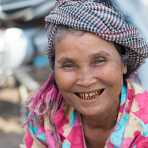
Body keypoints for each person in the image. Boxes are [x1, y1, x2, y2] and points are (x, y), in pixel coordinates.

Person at [23, 0, 148, 147]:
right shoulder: (44, 116)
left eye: (99, 61)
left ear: (124, 63)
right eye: (68, 65)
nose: (85, 80)